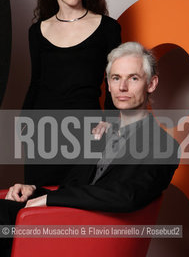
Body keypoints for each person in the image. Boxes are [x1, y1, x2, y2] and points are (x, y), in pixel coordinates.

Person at [0, 42, 179, 256]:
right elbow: (73, 188)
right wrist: (34, 191)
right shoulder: (99, 135)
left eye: (133, 78)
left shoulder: (164, 146)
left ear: (151, 84)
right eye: (116, 78)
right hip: (64, 224)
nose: (122, 87)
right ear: (109, 85)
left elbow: (126, 195)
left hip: (96, 237)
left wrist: (48, 199)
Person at [22, 0, 121, 186]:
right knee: (39, 208)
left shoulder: (108, 28)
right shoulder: (37, 31)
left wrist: (111, 120)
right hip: (41, 134)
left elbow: (115, 80)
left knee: (79, 209)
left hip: (87, 133)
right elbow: (36, 83)